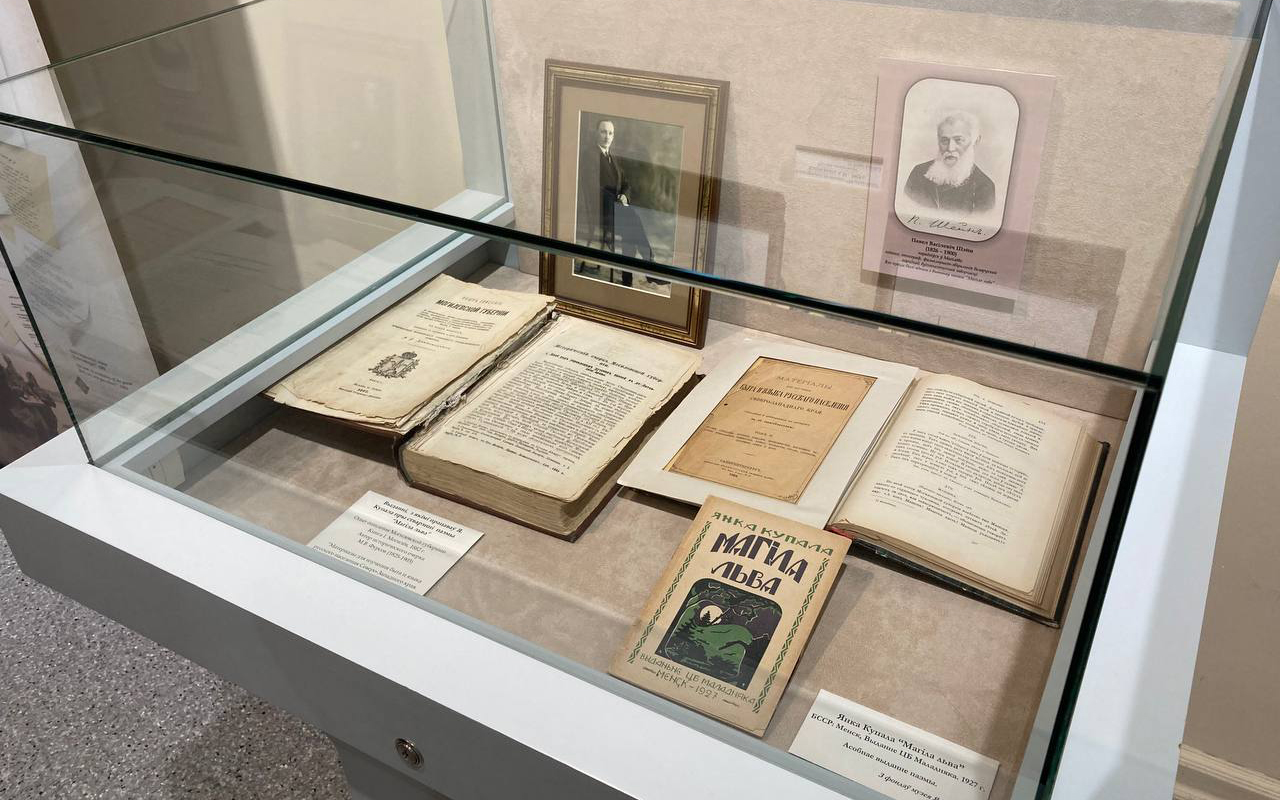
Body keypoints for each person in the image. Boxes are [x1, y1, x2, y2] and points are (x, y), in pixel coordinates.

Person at [576, 119, 654, 286]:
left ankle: (631, 276)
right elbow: (593, 189)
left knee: (631, 226)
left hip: (618, 211)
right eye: (603, 132)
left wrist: (624, 196)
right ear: (596, 133)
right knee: (633, 222)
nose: (607, 136)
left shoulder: (614, 158)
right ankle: (648, 267)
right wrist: (616, 202)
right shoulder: (589, 156)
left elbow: (626, 183)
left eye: (610, 133)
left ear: (613, 136)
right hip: (601, 212)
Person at [903, 110, 996, 215]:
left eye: (958, 140)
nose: (950, 148)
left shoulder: (984, 187)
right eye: (944, 141)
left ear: (975, 141)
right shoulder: (919, 173)